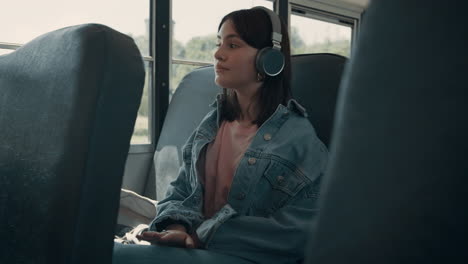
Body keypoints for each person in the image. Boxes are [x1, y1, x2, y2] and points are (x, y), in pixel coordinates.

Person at [113, 6, 327, 264]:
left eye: (233, 45)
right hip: (195, 247)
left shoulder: (297, 138)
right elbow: (181, 190)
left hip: (244, 255)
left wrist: (201, 235)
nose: (217, 54)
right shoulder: (213, 123)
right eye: (219, 43)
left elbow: (300, 232)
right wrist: (177, 229)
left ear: (269, 59)